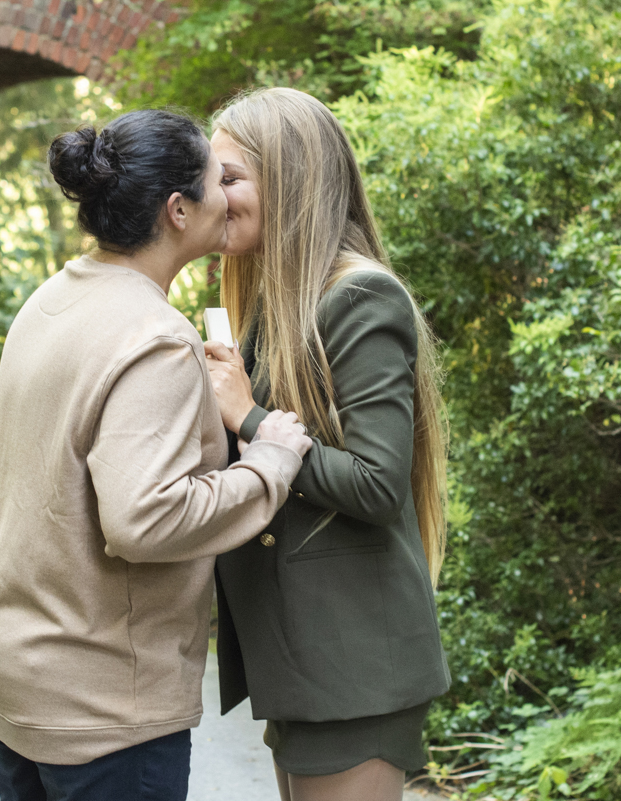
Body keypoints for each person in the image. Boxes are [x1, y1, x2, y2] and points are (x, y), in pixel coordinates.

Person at [0, 108, 314, 801]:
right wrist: (268, 464)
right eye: (219, 182)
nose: (230, 198)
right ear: (179, 210)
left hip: (19, 674)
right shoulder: (153, 337)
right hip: (103, 705)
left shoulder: (52, 300)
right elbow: (144, 518)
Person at [203, 88, 452, 801]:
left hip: (357, 660)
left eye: (230, 177)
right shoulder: (272, 312)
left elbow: (378, 483)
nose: (213, 197)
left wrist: (248, 418)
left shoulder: (358, 297)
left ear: (291, 180)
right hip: (304, 654)